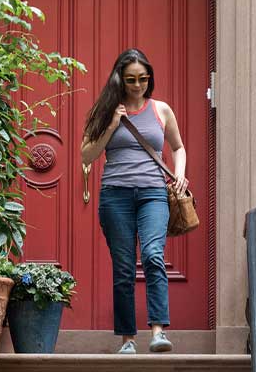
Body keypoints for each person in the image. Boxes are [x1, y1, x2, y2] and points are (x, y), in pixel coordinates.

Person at [80, 48, 189, 354]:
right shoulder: (106, 111)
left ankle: (157, 332)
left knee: (154, 255)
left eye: (143, 79)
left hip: (153, 193)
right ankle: (127, 339)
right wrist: (113, 125)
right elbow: (86, 155)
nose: (138, 85)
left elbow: (178, 148)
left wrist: (179, 174)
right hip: (115, 196)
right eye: (131, 80)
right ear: (120, 79)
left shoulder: (161, 111)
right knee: (125, 267)